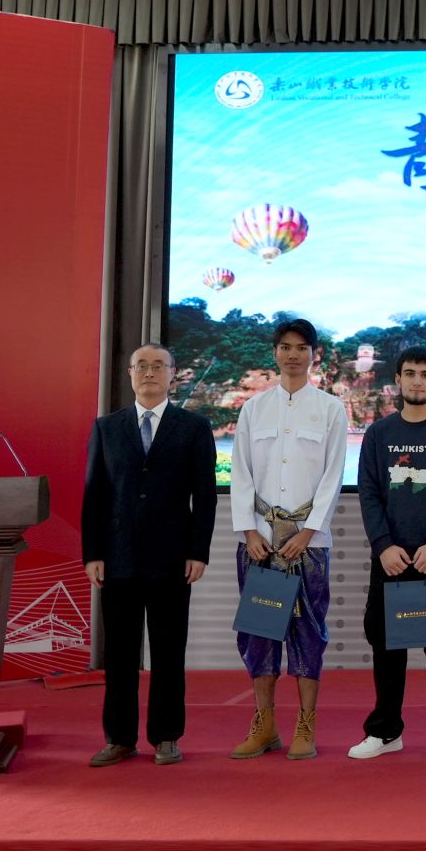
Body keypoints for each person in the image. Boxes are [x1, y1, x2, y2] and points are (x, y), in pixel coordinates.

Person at [80, 343, 217, 767]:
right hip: (117, 558)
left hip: (172, 558)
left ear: (173, 374)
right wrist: (93, 553)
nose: (150, 372)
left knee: (168, 652)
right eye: (142, 366)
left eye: (159, 366)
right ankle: (119, 738)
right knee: (119, 655)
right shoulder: (107, 427)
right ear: (130, 373)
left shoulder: (193, 427)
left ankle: (166, 736)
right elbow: (94, 495)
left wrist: (198, 551)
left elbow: (205, 496)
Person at [348, 346, 426, 762]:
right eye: (410, 373)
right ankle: (385, 731)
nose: (417, 380)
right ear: (398, 380)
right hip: (391, 560)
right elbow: (369, 493)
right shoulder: (378, 434)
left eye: (425, 374)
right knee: (386, 646)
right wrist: (383, 546)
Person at [227, 317, 346, 762]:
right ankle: (264, 725)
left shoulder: (330, 409)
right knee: (259, 632)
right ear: (275, 352)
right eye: (285, 347)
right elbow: (240, 473)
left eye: (301, 348)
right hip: (259, 542)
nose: (293, 355)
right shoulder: (253, 409)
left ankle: (305, 725)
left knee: (308, 632)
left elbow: (333, 476)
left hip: (308, 545)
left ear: (314, 354)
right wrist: (248, 531)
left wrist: (308, 532)